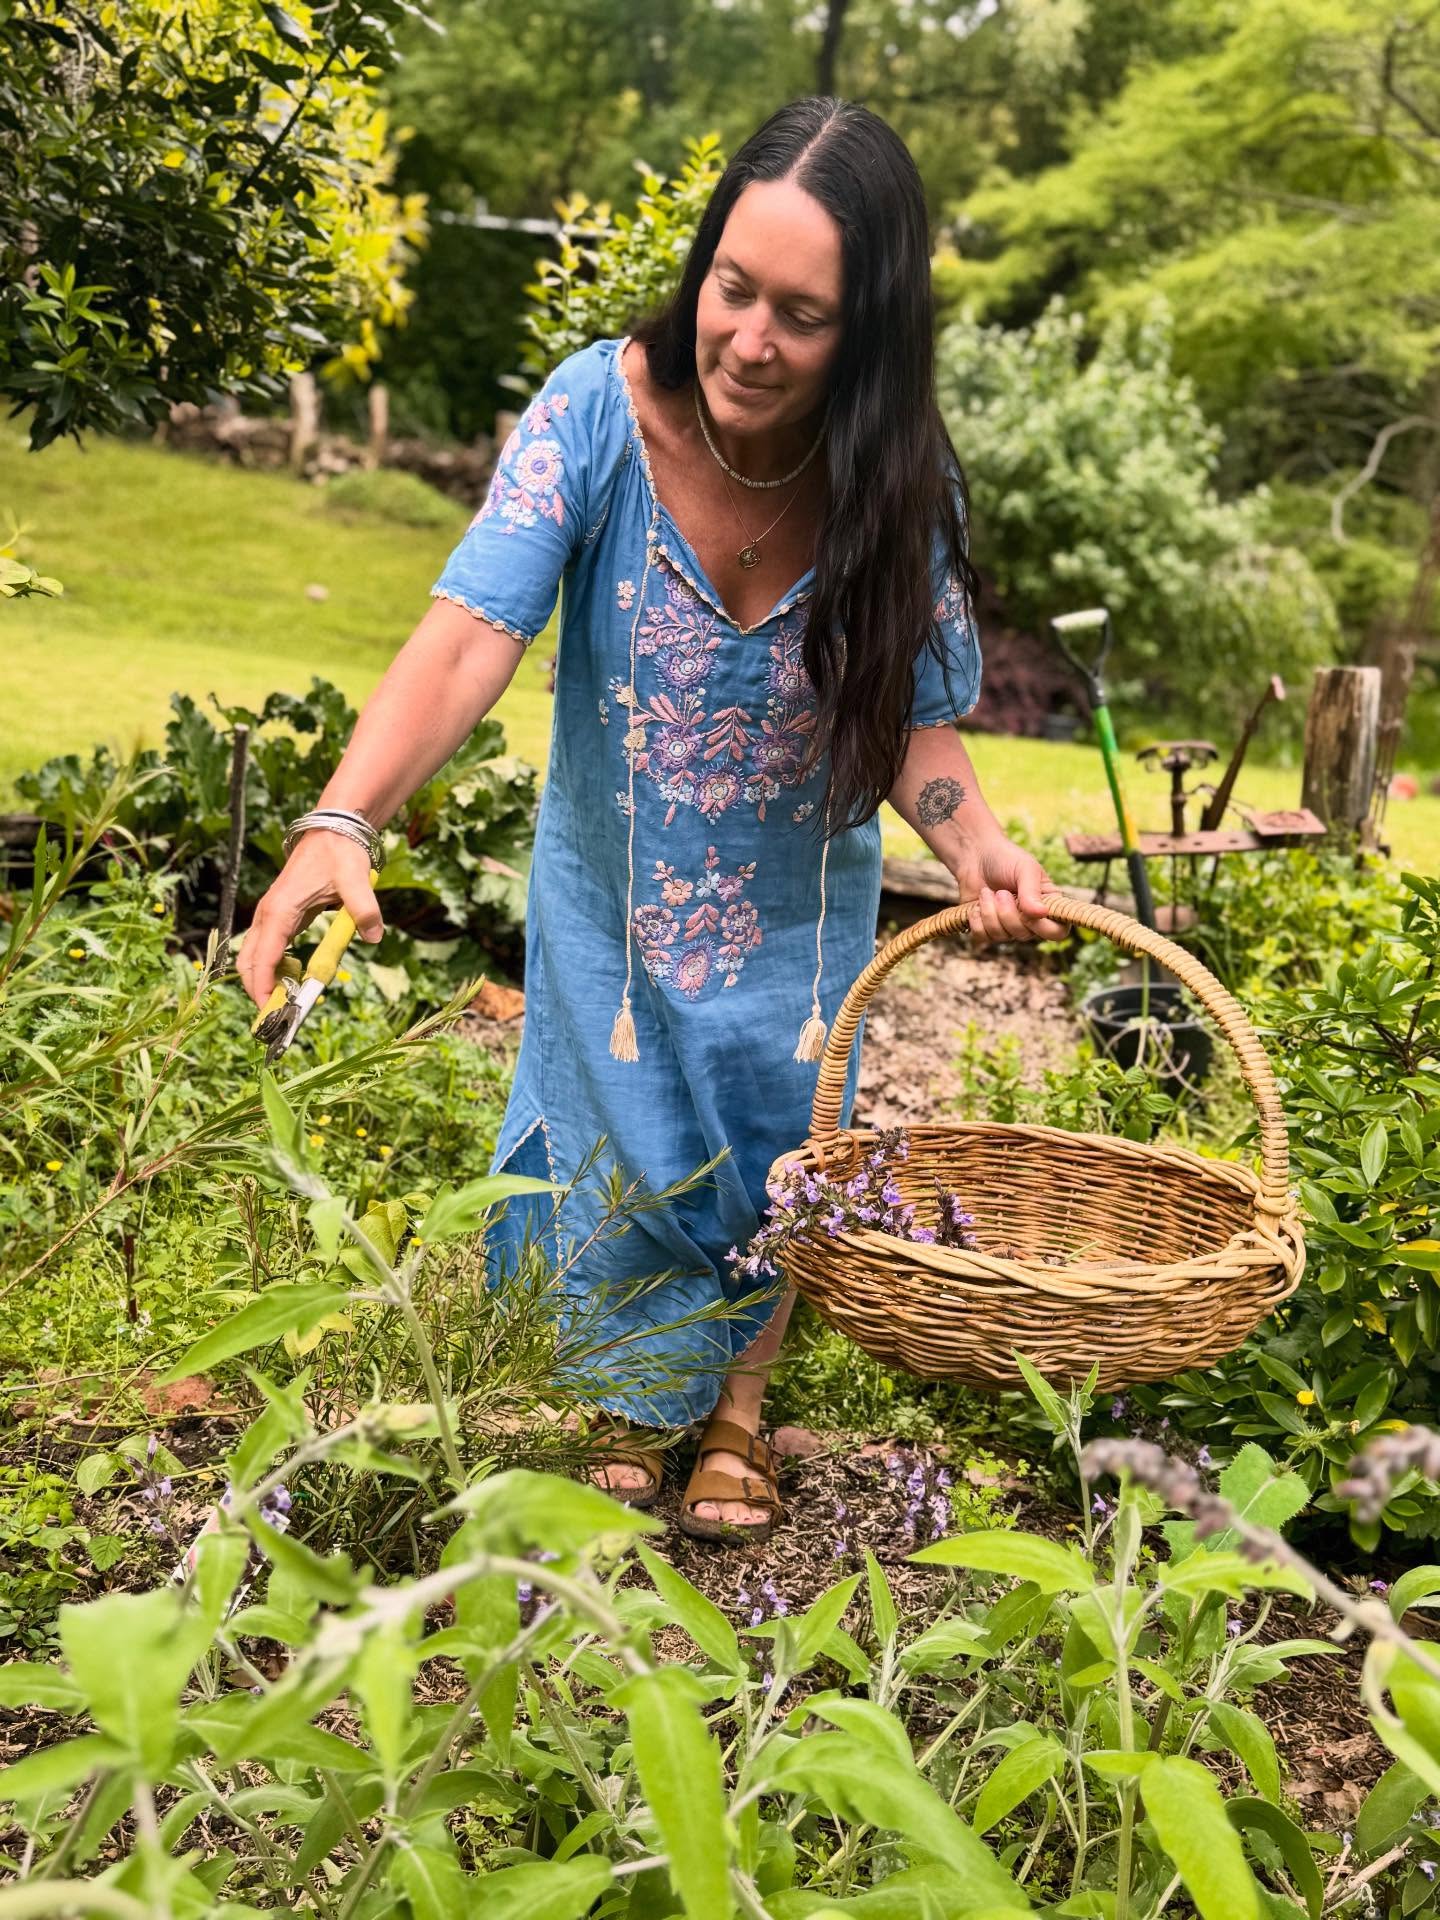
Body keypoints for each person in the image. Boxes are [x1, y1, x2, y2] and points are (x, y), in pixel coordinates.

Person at [237, 96, 1064, 1544]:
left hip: (795, 923)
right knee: (614, 1131)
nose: (748, 339)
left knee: (778, 1138)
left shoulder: (895, 482)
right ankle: (624, 1400)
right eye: (733, 288)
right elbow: (469, 635)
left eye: (802, 317)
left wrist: (974, 842)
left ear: (868, 334)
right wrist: (341, 818)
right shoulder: (595, 415)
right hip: (614, 907)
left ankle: (738, 1410)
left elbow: (913, 726)